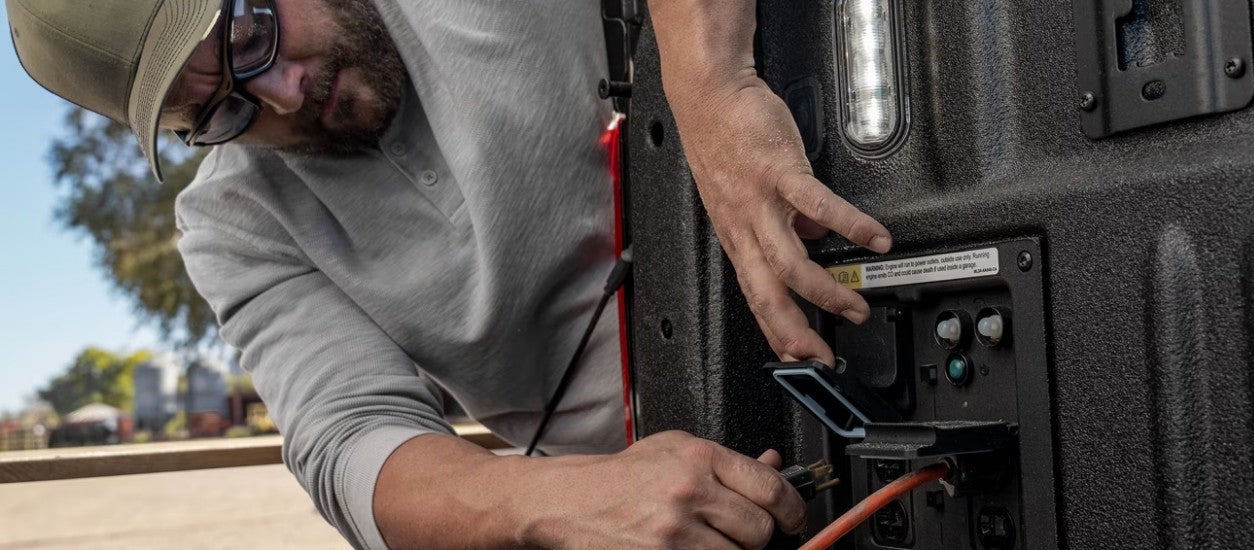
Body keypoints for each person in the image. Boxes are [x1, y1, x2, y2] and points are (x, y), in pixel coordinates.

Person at [7, 0, 892, 547]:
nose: (280, 91)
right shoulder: (233, 228)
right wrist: (558, 503)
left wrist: (709, 85)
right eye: (218, 108)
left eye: (250, 30)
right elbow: (350, 445)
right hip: (717, 517)